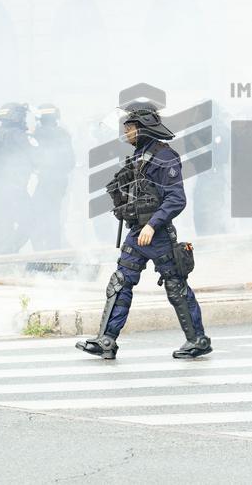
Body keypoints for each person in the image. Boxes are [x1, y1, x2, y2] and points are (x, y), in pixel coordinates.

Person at [77, 101, 211, 360]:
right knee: (120, 281)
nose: (126, 132)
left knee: (176, 285)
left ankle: (198, 340)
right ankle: (107, 339)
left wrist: (152, 224)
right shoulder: (139, 154)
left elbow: (176, 199)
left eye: (130, 127)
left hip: (157, 234)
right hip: (138, 232)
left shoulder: (164, 156)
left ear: (143, 128)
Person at [0, 103, 36, 255]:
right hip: (15, 188)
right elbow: (35, 157)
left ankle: (3, 257)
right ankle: (8, 253)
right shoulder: (18, 136)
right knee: (29, 222)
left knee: (4, 224)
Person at [31, 104, 75, 250]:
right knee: (54, 214)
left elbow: (32, 158)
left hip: (48, 179)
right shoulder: (63, 133)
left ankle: (47, 248)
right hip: (60, 180)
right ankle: (54, 246)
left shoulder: (37, 134)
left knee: (40, 213)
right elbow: (71, 162)